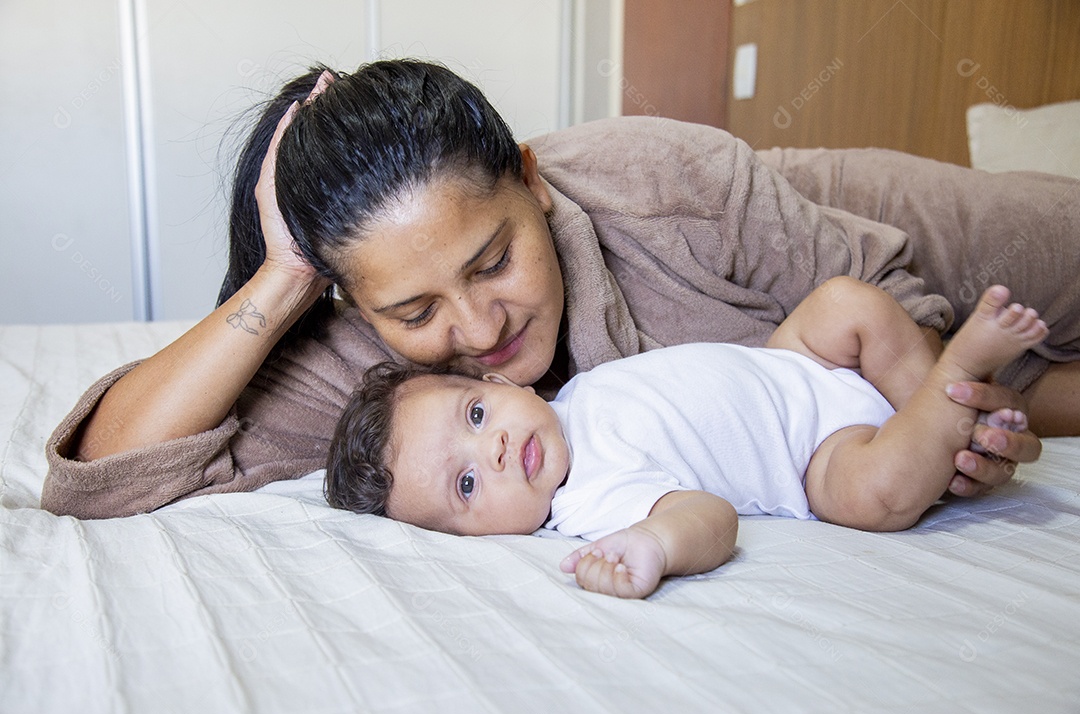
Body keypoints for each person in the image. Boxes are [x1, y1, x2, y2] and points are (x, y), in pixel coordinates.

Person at [41, 60, 1077, 520]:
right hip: (848, 373)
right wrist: (284, 273)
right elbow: (100, 473)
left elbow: (894, 301)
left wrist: (940, 411)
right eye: (415, 309)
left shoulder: (664, 178)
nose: (477, 327)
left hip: (845, 223)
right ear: (355, 304)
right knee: (1038, 397)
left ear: (532, 182)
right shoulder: (361, 357)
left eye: (494, 261)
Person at [322, 280, 1047, 599]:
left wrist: (798, 361)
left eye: (475, 417)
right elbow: (713, 517)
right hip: (816, 453)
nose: (497, 451)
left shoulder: (571, 397)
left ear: (501, 385)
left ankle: (937, 408)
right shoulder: (591, 503)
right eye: (468, 485)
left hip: (795, 361)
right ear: (472, 539)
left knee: (844, 302)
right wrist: (656, 546)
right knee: (874, 494)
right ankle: (957, 381)